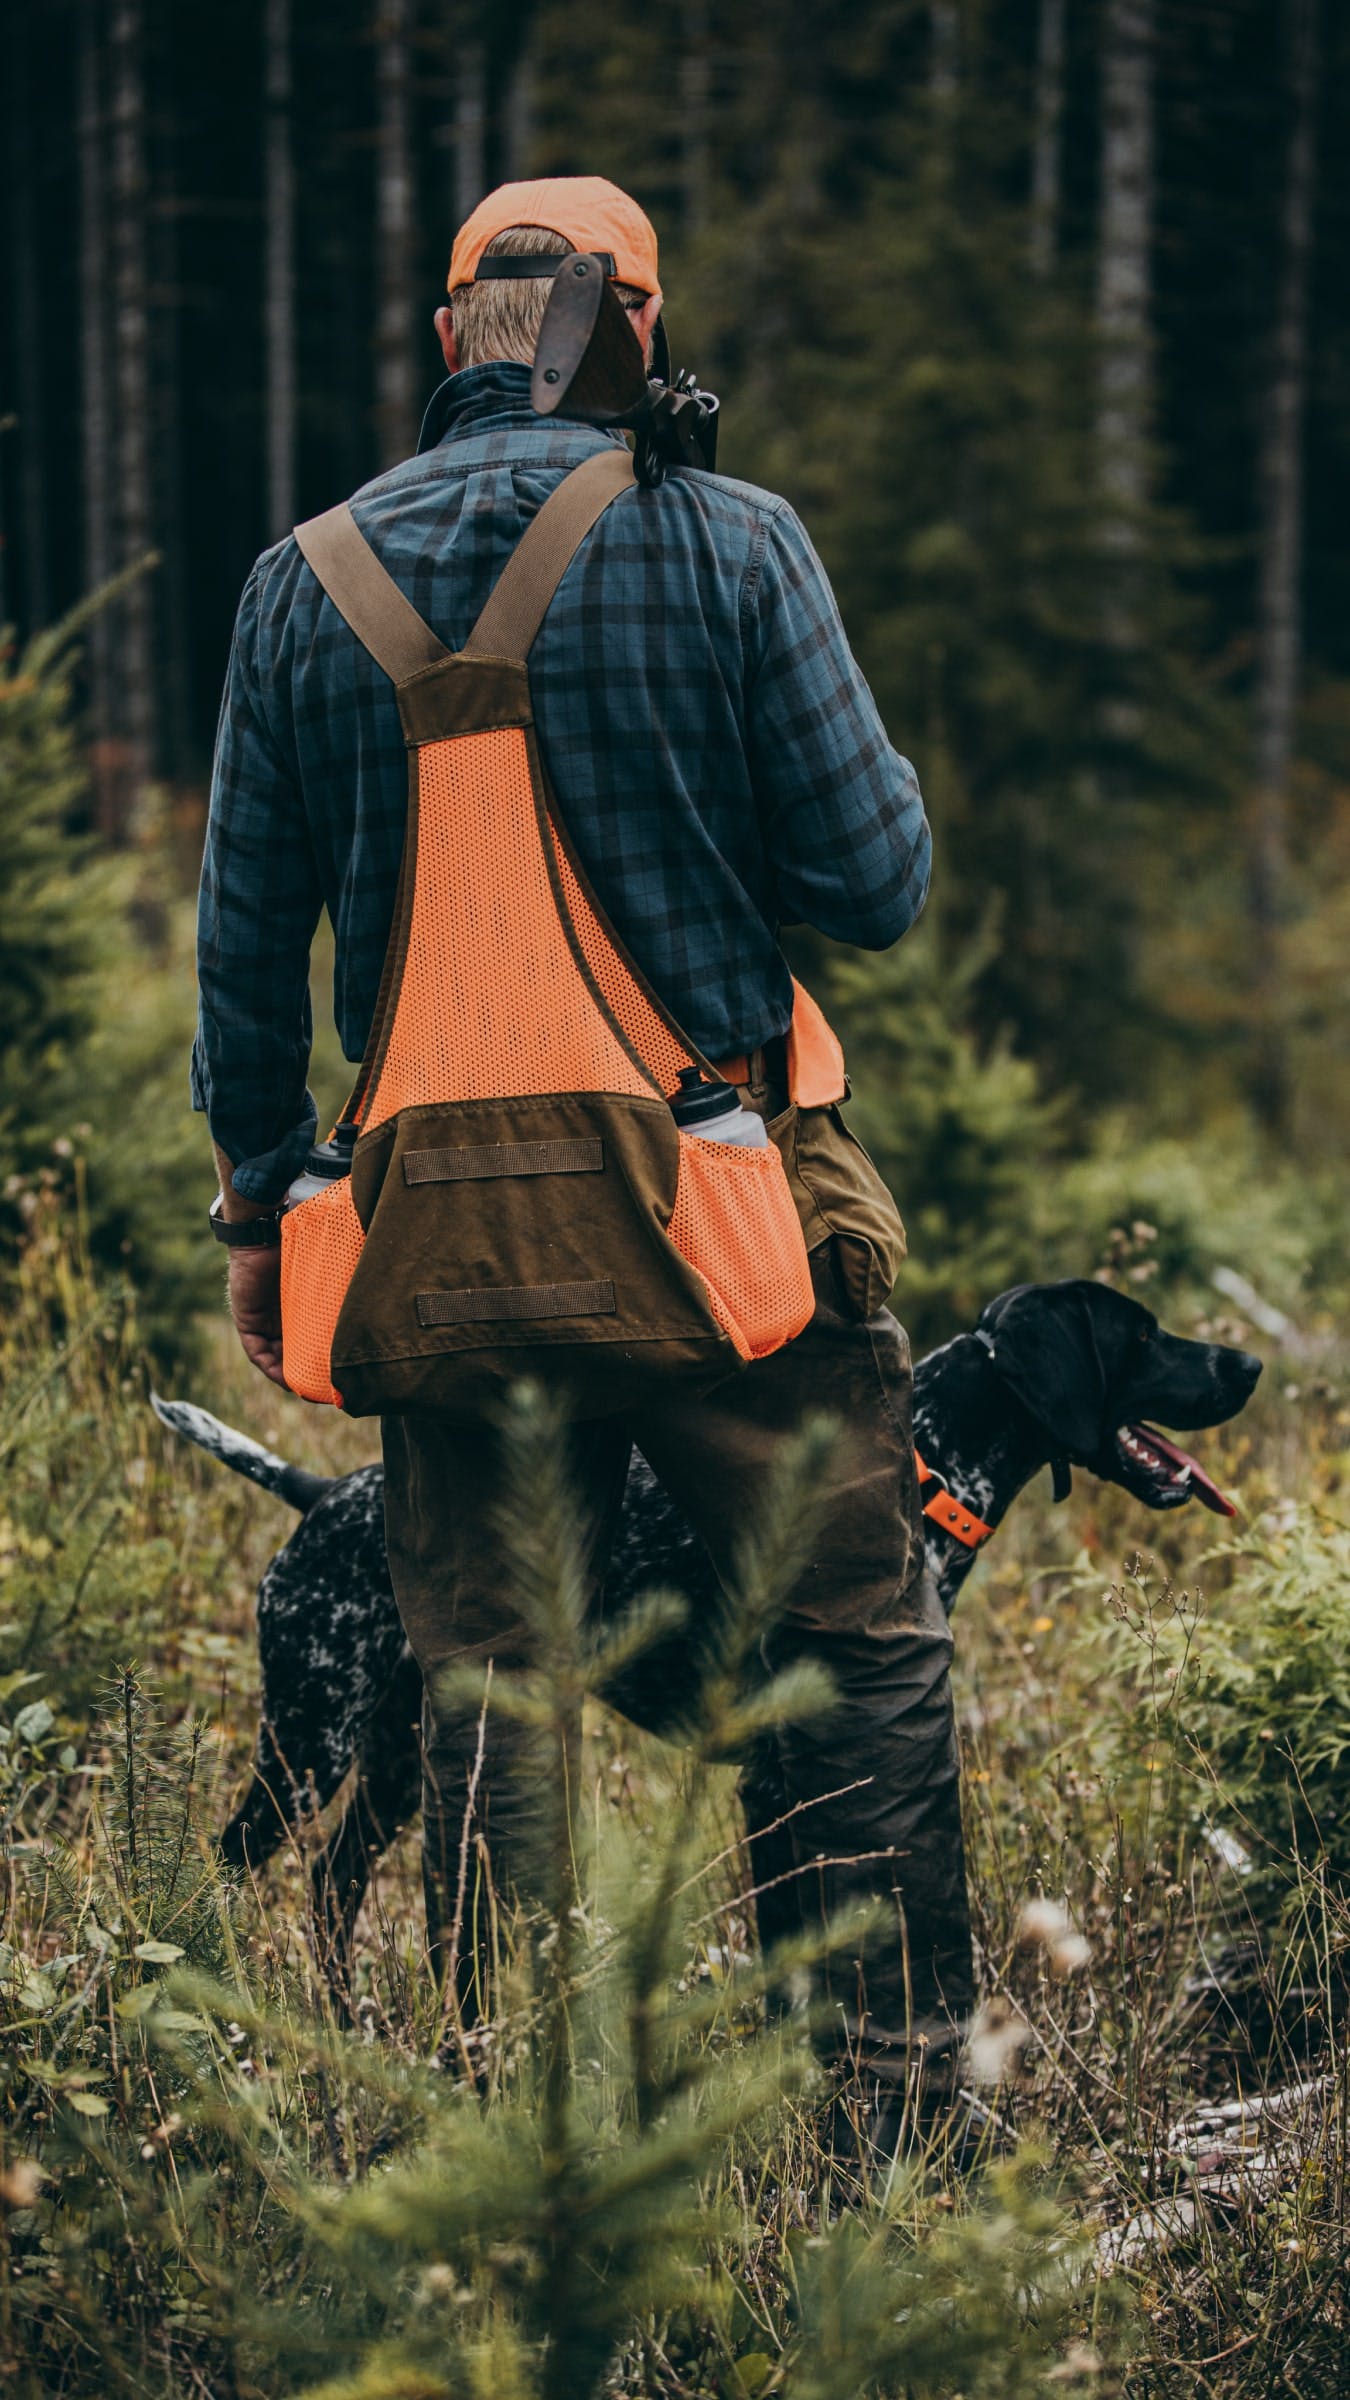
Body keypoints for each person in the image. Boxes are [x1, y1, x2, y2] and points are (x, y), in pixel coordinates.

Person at [194, 175, 974, 2149]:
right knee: (847, 1635)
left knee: (486, 1671)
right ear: (628, 326)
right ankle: (879, 2141)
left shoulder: (302, 584)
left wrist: (265, 1199)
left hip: (437, 1255)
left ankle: (513, 2164)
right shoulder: (733, 541)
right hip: (727, 1233)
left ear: (454, 332)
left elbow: (238, 970)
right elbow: (878, 884)